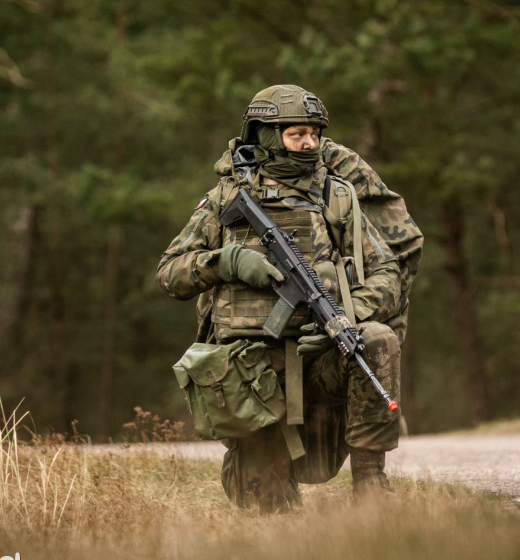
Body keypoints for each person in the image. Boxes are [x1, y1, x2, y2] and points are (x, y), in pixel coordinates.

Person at [157, 84, 421, 511]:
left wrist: (346, 315)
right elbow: (169, 274)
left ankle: (371, 482)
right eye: (297, 133)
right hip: (251, 373)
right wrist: (227, 261)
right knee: (268, 508)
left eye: (315, 133)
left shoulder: (335, 194)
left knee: (375, 341)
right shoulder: (226, 197)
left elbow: (388, 271)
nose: (310, 143)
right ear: (265, 134)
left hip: (321, 359)